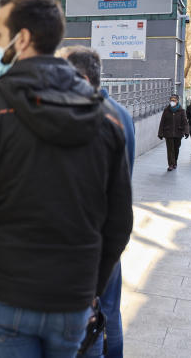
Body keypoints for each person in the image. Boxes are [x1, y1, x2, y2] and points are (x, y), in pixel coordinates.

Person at [0, 0, 133, 358]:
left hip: (2, 289)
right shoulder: (107, 116)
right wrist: (91, 283)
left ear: (21, 39)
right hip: (72, 293)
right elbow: (118, 222)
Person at [59, 46, 135, 358]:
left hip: (87, 236)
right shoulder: (122, 113)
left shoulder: (91, 118)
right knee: (110, 312)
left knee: (86, 320)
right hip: (110, 233)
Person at [158, 94, 189, 171]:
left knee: (176, 149)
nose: (172, 102)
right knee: (170, 149)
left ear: (177, 101)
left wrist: (186, 131)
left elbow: (185, 122)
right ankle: (171, 164)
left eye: (174, 100)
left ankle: (175, 162)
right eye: (171, 100)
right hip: (168, 132)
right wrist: (160, 133)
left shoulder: (182, 111)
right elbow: (162, 122)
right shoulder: (166, 110)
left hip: (178, 133)